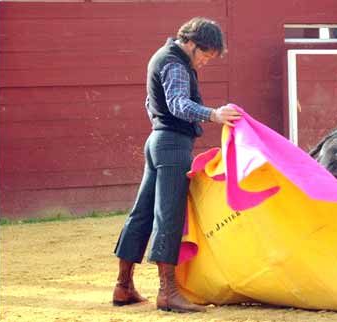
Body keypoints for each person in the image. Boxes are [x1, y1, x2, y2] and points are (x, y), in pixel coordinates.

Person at [112, 17, 241, 313]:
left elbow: (151, 104)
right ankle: (168, 292)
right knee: (169, 215)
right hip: (172, 145)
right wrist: (214, 114)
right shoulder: (175, 63)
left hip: (158, 139)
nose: (206, 62)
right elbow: (179, 105)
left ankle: (124, 285)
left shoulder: (161, 57)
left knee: (141, 214)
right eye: (206, 55)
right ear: (192, 44)